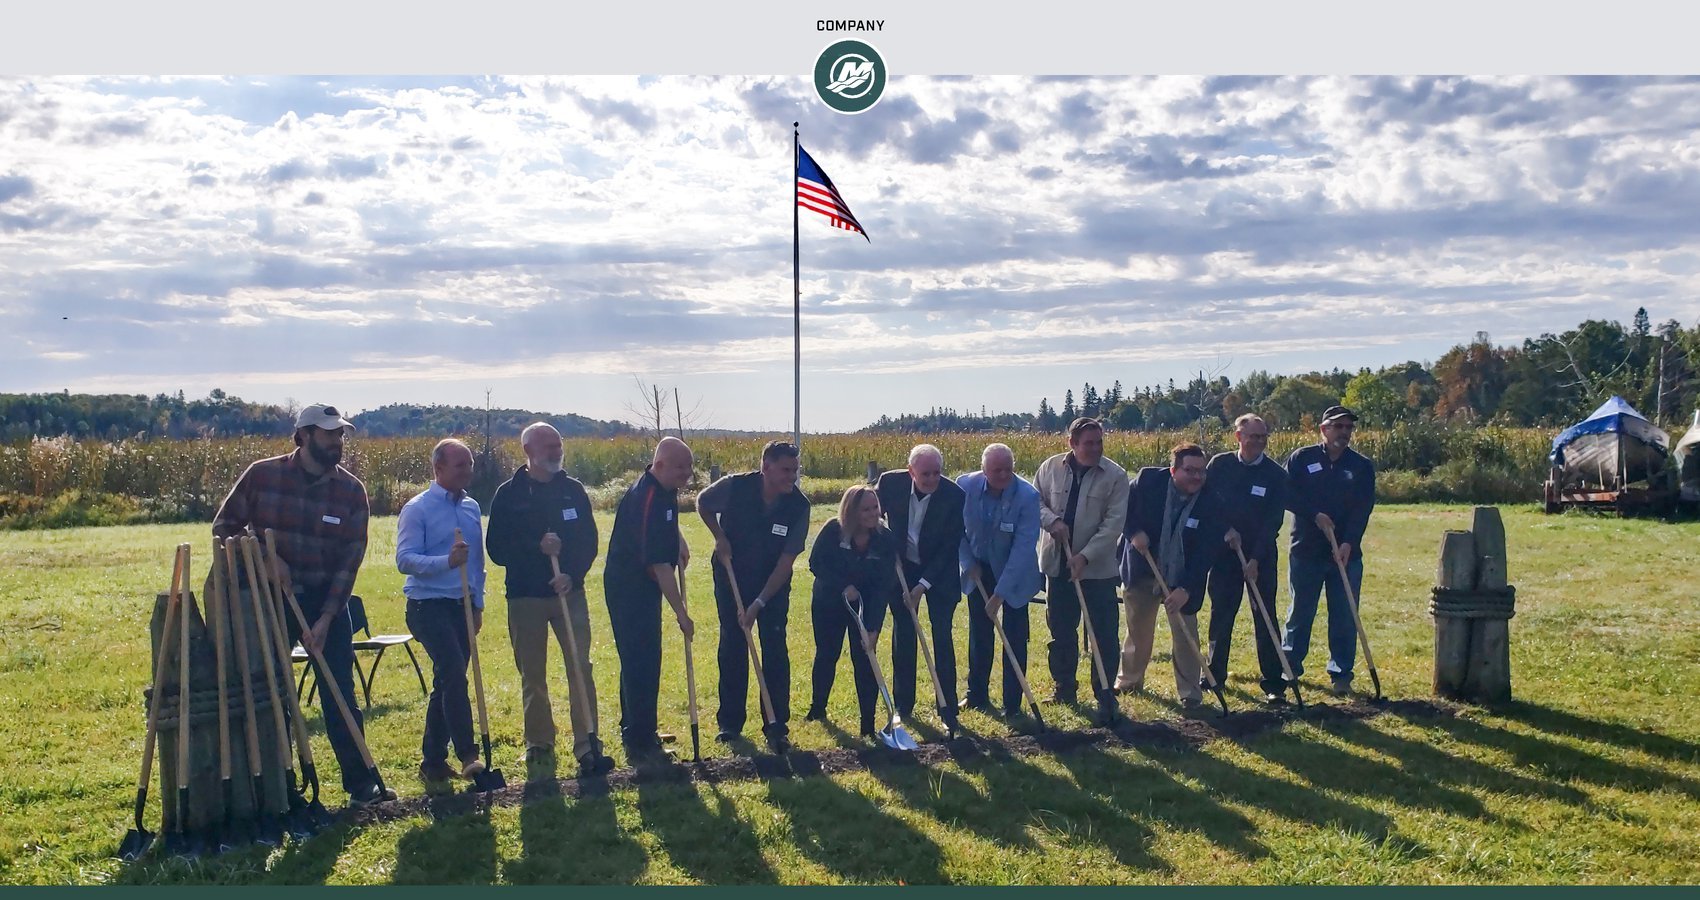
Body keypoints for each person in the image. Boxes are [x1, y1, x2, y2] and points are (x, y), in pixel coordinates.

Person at [211, 403, 393, 806]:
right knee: (274, 691)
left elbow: (350, 560)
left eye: (341, 434)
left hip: (327, 599)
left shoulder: (350, 491)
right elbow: (224, 528)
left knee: (339, 690)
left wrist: (328, 618)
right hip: (269, 601)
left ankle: (361, 784)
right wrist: (263, 555)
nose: (337, 441)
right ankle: (281, 785)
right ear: (304, 436)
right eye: (329, 434)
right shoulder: (263, 475)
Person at [486, 422, 613, 777]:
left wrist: (572, 573)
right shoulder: (508, 494)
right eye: (549, 446)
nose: (557, 450)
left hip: (568, 595)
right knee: (533, 674)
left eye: (559, 444)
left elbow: (588, 541)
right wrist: (536, 548)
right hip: (525, 597)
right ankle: (539, 742)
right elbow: (496, 548)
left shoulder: (572, 491)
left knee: (580, 667)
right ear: (528, 451)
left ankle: (588, 741)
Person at [699, 440, 811, 751]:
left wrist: (759, 603)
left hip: (772, 584)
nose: (792, 476)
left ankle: (776, 725)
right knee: (733, 645)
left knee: (774, 647)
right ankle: (730, 725)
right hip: (731, 576)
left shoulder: (799, 507)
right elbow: (703, 503)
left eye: (795, 470)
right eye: (786, 470)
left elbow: (786, 563)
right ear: (766, 467)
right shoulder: (734, 487)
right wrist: (719, 537)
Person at [395, 438, 489, 782]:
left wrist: (476, 604)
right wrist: (446, 561)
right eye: (459, 465)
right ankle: (469, 755)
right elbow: (405, 560)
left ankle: (432, 761)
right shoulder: (417, 509)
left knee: (446, 681)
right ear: (438, 469)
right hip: (426, 605)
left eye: (470, 464)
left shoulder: (471, 508)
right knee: (452, 671)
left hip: (460, 606)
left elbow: (476, 564)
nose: (467, 471)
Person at [603, 437, 696, 763]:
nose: (687, 474)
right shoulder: (647, 496)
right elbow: (658, 568)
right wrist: (681, 613)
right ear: (660, 465)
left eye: (689, 467)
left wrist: (678, 539)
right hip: (630, 587)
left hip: (642, 585)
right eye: (681, 467)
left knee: (642, 658)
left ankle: (638, 727)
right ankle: (640, 741)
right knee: (640, 660)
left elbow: (665, 524)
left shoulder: (665, 489)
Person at [1116, 443, 1225, 710]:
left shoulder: (1211, 501)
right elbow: (1121, 510)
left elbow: (1206, 551)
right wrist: (1134, 533)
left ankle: (1190, 693)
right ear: (1173, 470)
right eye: (1190, 471)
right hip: (1143, 567)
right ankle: (1129, 680)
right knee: (1138, 629)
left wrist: (1185, 589)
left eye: (1201, 471)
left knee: (1186, 633)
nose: (1196, 477)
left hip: (1182, 575)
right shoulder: (1147, 482)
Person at [1283, 405, 1377, 697]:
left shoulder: (1361, 466)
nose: (1344, 433)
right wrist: (1314, 515)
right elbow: (1288, 494)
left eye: (1348, 428)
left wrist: (1349, 541)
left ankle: (1341, 674)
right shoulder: (1302, 459)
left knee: (1345, 614)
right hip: (1306, 551)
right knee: (1300, 612)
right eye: (1338, 427)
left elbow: (1363, 508)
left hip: (1345, 555)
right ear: (1323, 429)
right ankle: (1290, 670)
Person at [1034, 417, 1129, 705]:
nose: (1095, 448)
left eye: (1099, 442)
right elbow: (1034, 502)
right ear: (1072, 444)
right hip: (1057, 564)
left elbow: (1113, 524)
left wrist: (1085, 557)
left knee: (1104, 635)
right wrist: (1053, 521)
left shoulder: (1116, 476)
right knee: (1061, 632)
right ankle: (1064, 689)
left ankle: (1104, 693)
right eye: (1089, 443)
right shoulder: (1050, 468)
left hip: (1097, 570)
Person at [1202, 414, 1292, 705]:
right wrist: (1224, 530)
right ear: (1238, 436)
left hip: (1261, 556)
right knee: (1221, 615)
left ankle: (1274, 683)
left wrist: (1254, 559)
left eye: (1262, 436)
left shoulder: (1276, 475)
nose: (1258, 442)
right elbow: (1208, 505)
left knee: (1265, 617)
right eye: (1252, 436)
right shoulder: (1219, 465)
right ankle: (1214, 674)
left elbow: (1272, 523)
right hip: (1224, 555)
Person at [875, 444, 966, 726]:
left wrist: (922, 586)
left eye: (937, 473)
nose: (931, 480)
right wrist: (889, 551)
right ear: (911, 471)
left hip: (939, 572)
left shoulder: (954, 496)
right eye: (925, 474)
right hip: (902, 568)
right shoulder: (890, 483)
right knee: (904, 634)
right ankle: (904, 704)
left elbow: (950, 546)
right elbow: (873, 516)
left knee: (941, 635)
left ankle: (947, 707)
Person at [805, 485, 900, 739]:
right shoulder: (832, 531)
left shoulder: (886, 539)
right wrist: (842, 586)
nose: (872, 514)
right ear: (852, 511)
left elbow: (883, 586)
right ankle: (818, 708)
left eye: (875, 508)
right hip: (829, 602)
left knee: (865, 658)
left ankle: (867, 724)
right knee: (827, 653)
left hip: (867, 603)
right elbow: (816, 563)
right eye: (865, 509)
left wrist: (874, 628)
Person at [957, 443, 1042, 717]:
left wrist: (1000, 593)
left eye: (1008, 469)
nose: (1004, 475)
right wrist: (969, 563)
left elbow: (1023, 548)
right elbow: (957, 529)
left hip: (1015, 573)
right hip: (979, 569)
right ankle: (977, 695)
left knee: (1015, 637)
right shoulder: (964, 487)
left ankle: (1012, 703)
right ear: (983, 470)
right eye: (997, 470)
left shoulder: (1028, 497)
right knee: (980, 635)